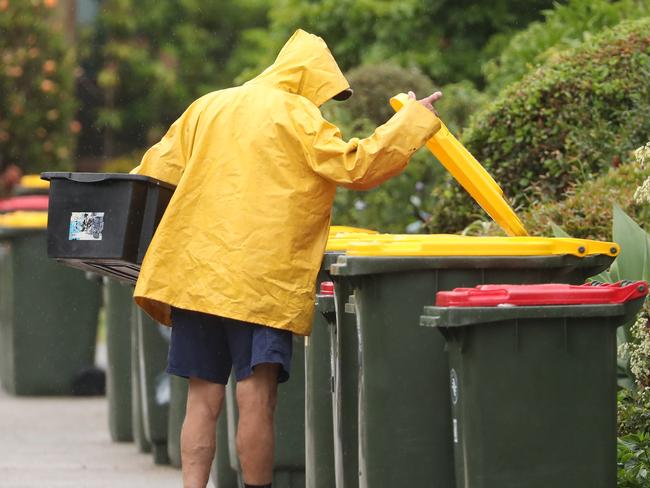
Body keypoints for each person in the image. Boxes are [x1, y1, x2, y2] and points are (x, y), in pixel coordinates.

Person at [131, 29, 442, 488]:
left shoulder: (208, 106)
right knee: (257, 400)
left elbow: (152, 173)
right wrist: (412, 121)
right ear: (309, 79)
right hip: (262, 282)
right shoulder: (296, 114)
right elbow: (355, 166)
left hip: (195, 276)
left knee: (202, 400)